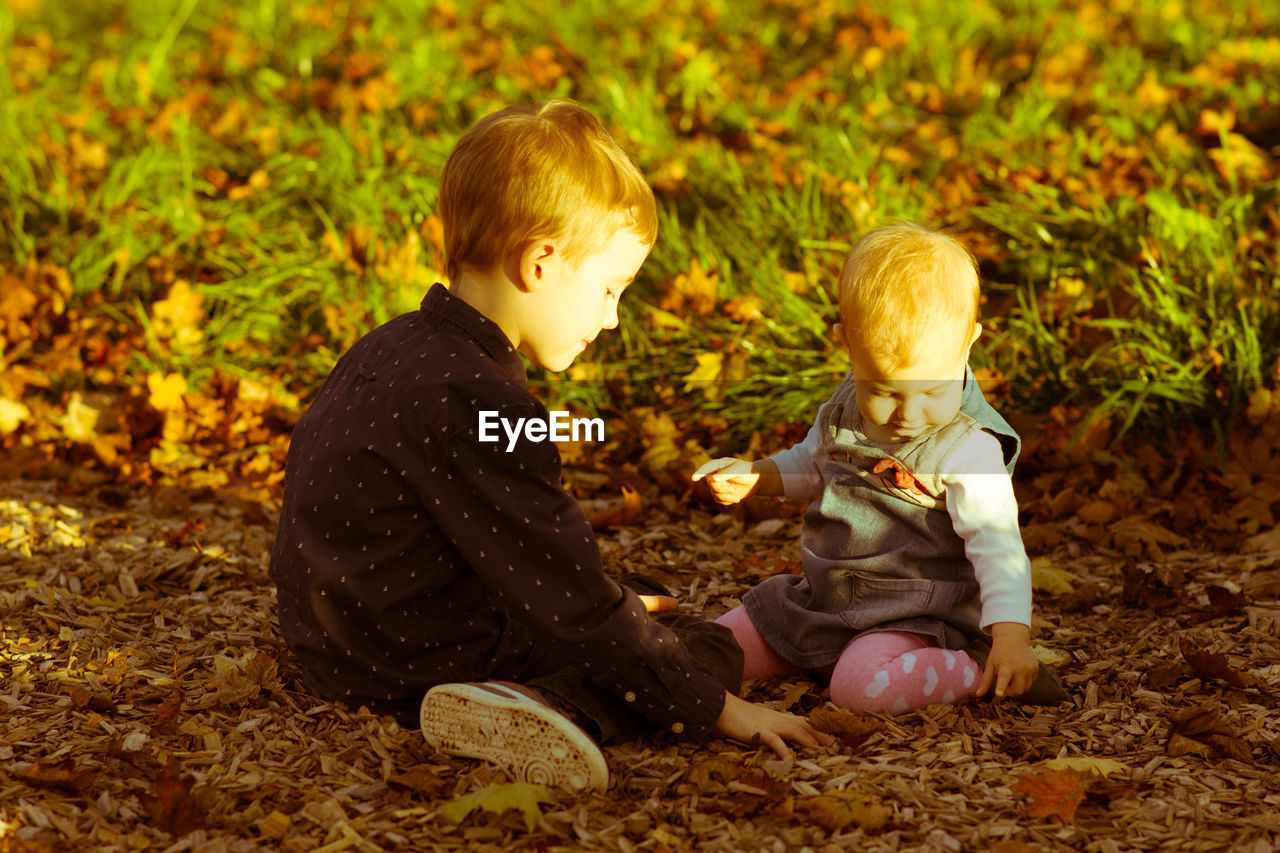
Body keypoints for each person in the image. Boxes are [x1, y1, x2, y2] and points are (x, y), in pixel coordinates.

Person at [268, 99, 831, 794]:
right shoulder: (486, 402)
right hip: (413, 661)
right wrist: (714, 706)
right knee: (703, 645)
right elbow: (564, 592)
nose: (612, 316)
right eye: (609, 289)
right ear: (541, 263)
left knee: (643, 599)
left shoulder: (391, 345)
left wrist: (619, 599)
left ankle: (576, 653)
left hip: (335, 640)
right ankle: (535, 708)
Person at [693, 220, 1066, 716]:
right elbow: (816, 463)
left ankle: (978, 671)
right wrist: (757, 475)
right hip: (823, 602)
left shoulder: (968, 449)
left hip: (910, 617)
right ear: (847, 344)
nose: (907, 415)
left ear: (970, 341)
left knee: (859, 689)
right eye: (884, 391)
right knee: (711, 646)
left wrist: (1011, 638)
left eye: (932, 391)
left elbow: (998, 549)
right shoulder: (848, 405)